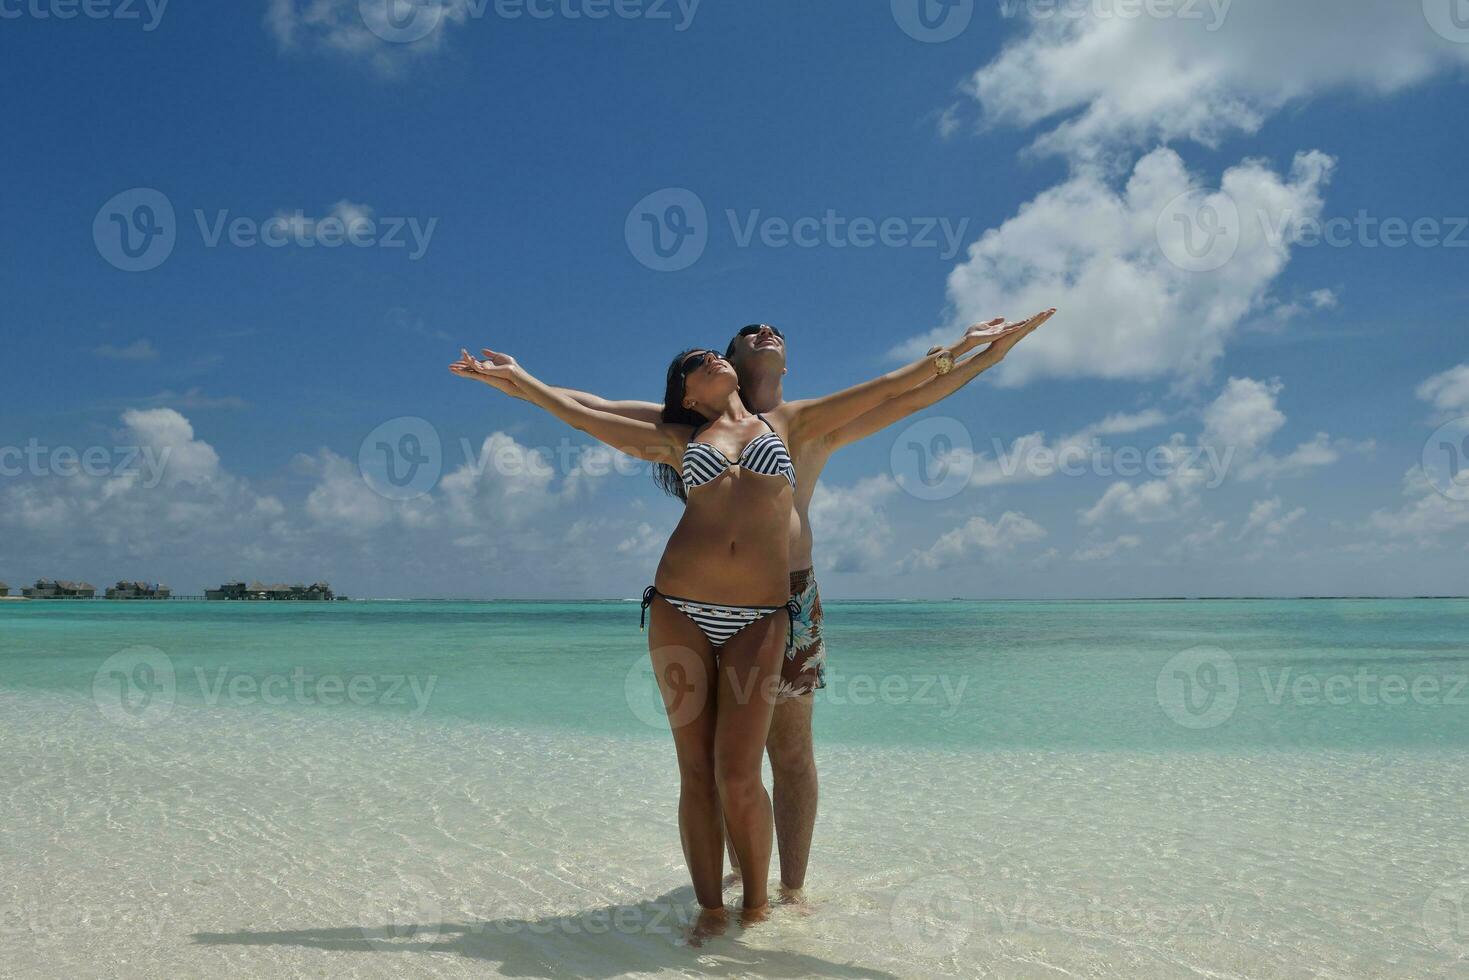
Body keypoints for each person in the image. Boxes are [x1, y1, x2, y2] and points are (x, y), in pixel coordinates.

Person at [459, 309, 1054, 900]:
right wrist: (519, 381)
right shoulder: (688, 426)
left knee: (786, 753)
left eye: (774, 331)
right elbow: (590, 408)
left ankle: (788, 893)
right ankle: (732, 887)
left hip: (786, 600)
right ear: (727, 364)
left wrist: (984, 353)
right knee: (715, 763)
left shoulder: (804, 421)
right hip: (699, 596)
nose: (763, 332)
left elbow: (905, 394)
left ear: (782, 363)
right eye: (744, 335)